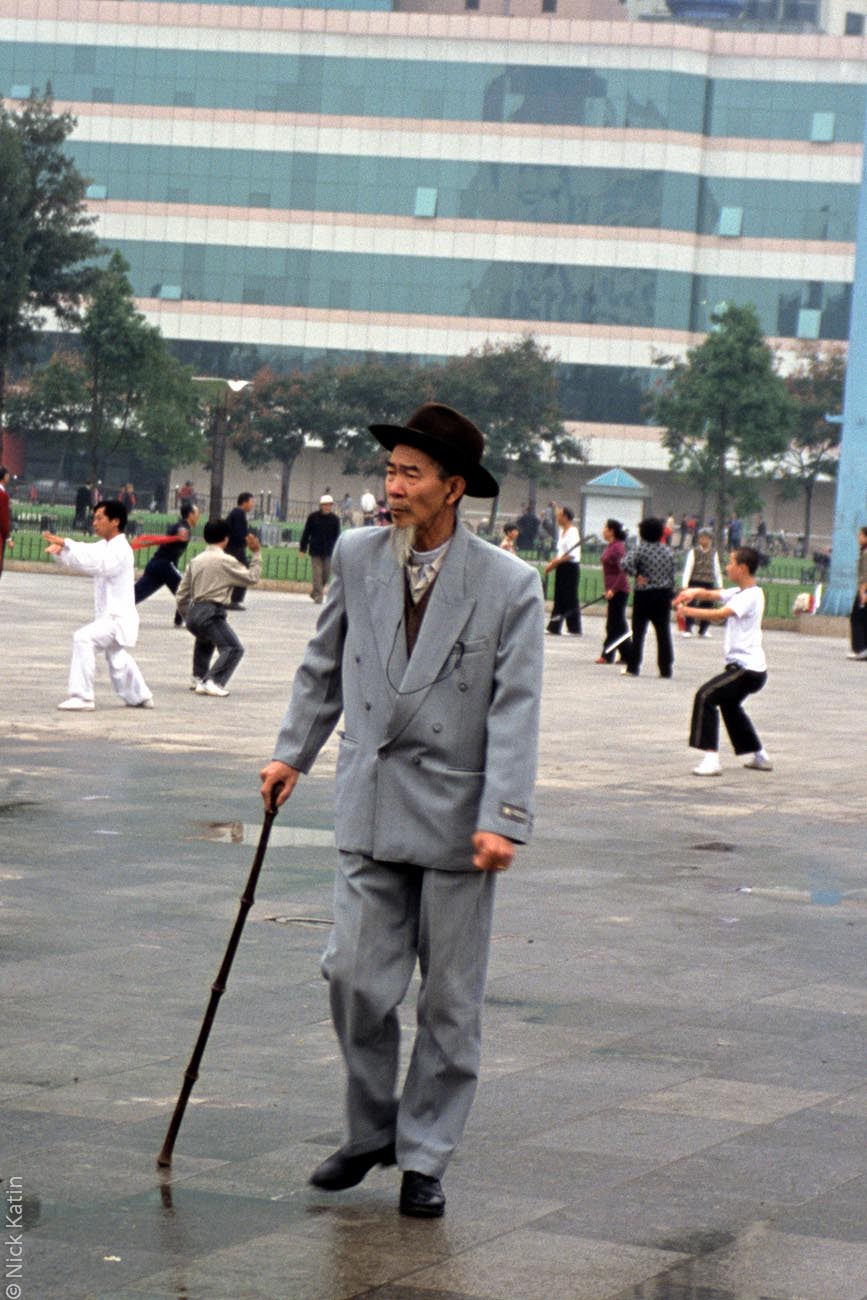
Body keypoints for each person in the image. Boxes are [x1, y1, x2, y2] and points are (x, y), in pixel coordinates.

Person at [259, 402, 543, 1220]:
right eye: (388, 471)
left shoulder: (509, 584)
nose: (392, 487)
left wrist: (505, 815)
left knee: (449, 1003)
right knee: (351, 975)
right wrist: (292, 753)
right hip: (370, 800)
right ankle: (372, 1129)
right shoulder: (355, 554)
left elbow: (515, 707)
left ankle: (424, 1156)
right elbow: (323, 666)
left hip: (460, 820)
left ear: (454, 488)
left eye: (410, 474)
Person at [43, 500, 153, 711]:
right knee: (116, 657)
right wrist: (61, 551)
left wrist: (67, 544)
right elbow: (85, 554)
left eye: (99, 518)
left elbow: (98, 564)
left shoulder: (121, 549)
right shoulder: (105, 546)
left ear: (115, 521)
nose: (94, 523)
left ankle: (83, 697)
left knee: (83, 638)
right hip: (108, 617)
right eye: (94, 518)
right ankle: (140, 695)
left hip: (117, 618)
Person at [675, 546, 771, 776]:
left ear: (743, 568)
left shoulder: (750, 596)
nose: (727, 567)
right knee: (730, 706)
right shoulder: (740, 592)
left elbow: (719, 614)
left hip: (747, 670)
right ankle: (759, 754)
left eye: (731, 563)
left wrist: (687, 612)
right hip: (747, 669)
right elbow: (713, 595)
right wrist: (693, 592)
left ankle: (711, 759)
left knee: (706, 696)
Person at [175, 518, 262, 696]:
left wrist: (188, 614)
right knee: (233, 648)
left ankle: (198, 676)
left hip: (194, 610)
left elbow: (181, 594)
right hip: (211, 610)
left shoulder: (196, 560)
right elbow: (252, 577)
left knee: (205, 638)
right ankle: (213, 680)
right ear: (226, 538)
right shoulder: (225, 560)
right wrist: (256, 554)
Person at [620, 516, 675, 678]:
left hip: (644, 594)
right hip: (663, 594)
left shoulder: (641, 549)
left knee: (639, 632)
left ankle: (633, 666)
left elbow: (624, 564)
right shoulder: (667, 551)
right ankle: (666, 668)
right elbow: (671, 574)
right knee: (663, 632)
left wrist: (636, 574)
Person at [133, 502, 200, 625]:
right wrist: (181, 533)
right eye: (197, 513)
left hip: (156, 565)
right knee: (185, 591)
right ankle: (186, 620)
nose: (198, 516)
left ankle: (115, 609)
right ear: (190, 515)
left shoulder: (181, 526)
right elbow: (179, 530)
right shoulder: (182, 526)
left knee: (137, 593)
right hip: (165, 565)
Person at [596, 518, 630, 664]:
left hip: (619, 590)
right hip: (612, 590)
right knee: (619, 625)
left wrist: (614, 589)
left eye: (605, 528)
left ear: (612, 531)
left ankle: (607, 654)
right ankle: (627, 654)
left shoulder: (618, 548)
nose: (603, 531)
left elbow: (623, 571)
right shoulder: (611, 546)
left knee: (613, 624)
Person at [543, 505, 581, 635]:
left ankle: (574, 628)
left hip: (570, 567)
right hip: (562, 567)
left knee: (570, 597)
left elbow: (571, 554)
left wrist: (554, 564)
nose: (557, 518)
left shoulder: (573, 532)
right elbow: (561, 553)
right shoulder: (561, 531)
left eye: (559, 515)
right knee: (559, 596)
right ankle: (554, 626)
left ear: (565, 517)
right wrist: (554, 562)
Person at [679, 528, 722, 638]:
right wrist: (685, 584)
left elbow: (716, 569)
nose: (704, 540)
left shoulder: (713, 553)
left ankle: (703, 629)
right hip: (695, 581)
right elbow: (689, 568)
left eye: (707, 538)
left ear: (710, 540)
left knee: (707, 606)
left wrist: (720, 584)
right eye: (702, 538)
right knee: (691, 604)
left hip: (708, 581)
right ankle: (688, 628)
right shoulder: (694, 552)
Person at [299, 494, 341, 604]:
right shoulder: (313, 517)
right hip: (315, 550)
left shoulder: (335, 519)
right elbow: (306, 533)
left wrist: (338, 550)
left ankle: (315, 591)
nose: (327, 507)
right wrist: (303, 548)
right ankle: (319, 596)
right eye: (325, 505)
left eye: (329, 505)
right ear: (321, 505)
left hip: (329, 550)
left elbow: (338, 536)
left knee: (326, 574)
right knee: (317, 574)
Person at [225, 492, 255, 609]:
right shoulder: (238, 514)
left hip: (233, 548)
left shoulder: (237, 513)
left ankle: (226, 598)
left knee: (231, 573)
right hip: (235, 549)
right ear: (244, 502)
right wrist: (247, 539)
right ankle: (235, 600)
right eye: (251, 502)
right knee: (245, 573)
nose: (252, 505)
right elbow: (238, 533)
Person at [847, 525, 867, 660]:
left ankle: (860, 648)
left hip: (864, 590)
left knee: (857, 618)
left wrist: (863, 593)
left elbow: (865, 575)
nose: (858, 538)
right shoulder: (863, 551)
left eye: (860, 535)